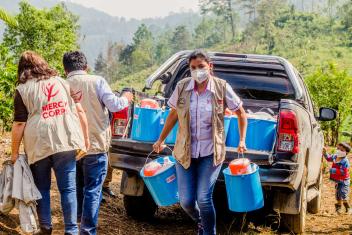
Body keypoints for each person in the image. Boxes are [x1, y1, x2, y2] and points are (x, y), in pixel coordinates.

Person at [153, 50, 247, 235]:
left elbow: (241, 112)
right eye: (193, 68)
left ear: (210, 66)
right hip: (184, 151)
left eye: (201, 67)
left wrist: (242, 140)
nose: (197, 71)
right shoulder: (182, 87)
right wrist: (160, 139)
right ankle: (202, 221)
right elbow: (174, 114)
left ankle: (208, 232)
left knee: (204, 198)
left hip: (211, 152)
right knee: (186, 201)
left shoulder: (221, 87)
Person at [11, 51, 89, 235]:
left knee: (42, 188)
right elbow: (78, 111)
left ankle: (46, 227)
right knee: (68, 188)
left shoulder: (23, 89)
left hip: (38, 142)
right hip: (65, 139)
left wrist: (14, 153)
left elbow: (20, 123)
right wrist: (84, 140)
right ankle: (71, 230)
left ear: (22, 69)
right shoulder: (62, 82)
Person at [63, 51, 133, 235]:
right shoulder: (97, 81)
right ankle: (87, 230)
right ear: (86, 67)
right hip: (95, 145)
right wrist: (126, 97)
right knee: (92, 189)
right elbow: (115, 105)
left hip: (69, 146)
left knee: (76, 186)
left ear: (65, 69)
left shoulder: (61, 85)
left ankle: (76, 224)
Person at [323, 142, 352, 214]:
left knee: (343, 194)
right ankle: (338, 209)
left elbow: (343, 172)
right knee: (338, 195)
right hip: (338, 180)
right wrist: (325, 153)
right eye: (338, 149)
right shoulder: (335, 156)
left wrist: (333, 170)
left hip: (344, 181)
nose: (339, 151)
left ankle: (348, 208)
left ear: (346, 152)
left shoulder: (345, 161)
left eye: (342, 150)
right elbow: (329, 158)